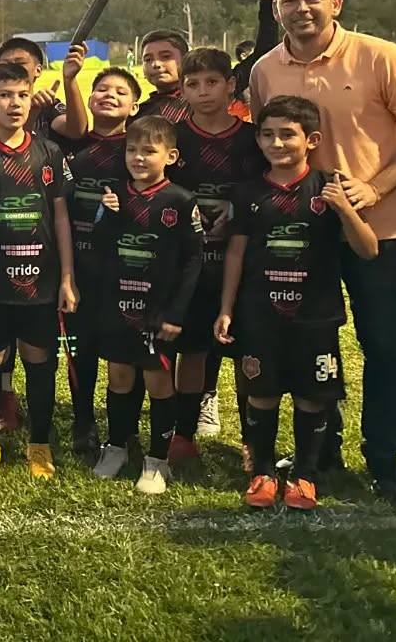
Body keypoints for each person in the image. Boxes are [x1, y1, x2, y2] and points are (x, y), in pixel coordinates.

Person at [250, 0, 396, 502]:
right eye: (290, 1)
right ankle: (321, 450)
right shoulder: (266, 70)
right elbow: (267, 144)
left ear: (335, 3)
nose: (301, 9)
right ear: (277, 9)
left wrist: (375, 187)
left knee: (381, 341)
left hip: (376, 227)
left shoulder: (380, 57)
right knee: (310, 340)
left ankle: (383, 458)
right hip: (298, 234)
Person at [215, 96, 378, 511]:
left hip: (315, 316)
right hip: (259, 313)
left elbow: (368, 249)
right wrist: (227, 308)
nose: (276, 143)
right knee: (261, 393)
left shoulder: (331, 186)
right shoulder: (249, 192)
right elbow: (235, 253)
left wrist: (345, 210)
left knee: (313, 396)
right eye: (267, 134)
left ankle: (305, 474)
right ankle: (262, 472)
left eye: (287, 134)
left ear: (312, 140)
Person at [0, 62, 75, 482]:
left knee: (39, 359)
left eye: (22, 95)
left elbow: (61, 218)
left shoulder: (49, 152)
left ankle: (39, 444)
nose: (15, 103)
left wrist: (67, 278)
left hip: (40, 279)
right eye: (4, 95)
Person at [92, 117, 203, 495]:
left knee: (157, 380)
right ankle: (116, 446)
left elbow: (193, 260)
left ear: (170, 156)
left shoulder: (180, 200)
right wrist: (107, 215)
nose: (138, 158)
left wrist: (176, 313)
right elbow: (99, 247)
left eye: (149, 151)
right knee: (119, 376)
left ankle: (157, 459)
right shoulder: (115, 194)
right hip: (117, 304)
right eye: (132, 150)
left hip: (158, 310)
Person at [167, 47, 263, 466]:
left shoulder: (253, 139)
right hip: (190, 266)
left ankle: (251, 440)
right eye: (193, 84)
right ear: (182, 90)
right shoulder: (173, 139)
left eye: (212, 82)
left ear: (230, 85)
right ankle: (184, 433)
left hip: (243, 263)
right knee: (191, 349)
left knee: (245, 352)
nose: (203, 91)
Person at [56, 61, 139, 458]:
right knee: (81, 348)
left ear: (134, 107)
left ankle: (127, 426)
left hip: (126, 269)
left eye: (121, 92)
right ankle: (84, 420)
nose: (110, 95)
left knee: (126, 350)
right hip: (78, 265)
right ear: (89, 99)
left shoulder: (139, 149)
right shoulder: (69, 143)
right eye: (102, 89)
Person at [136, 31, 191, 122]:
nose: (156, 64)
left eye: (166, 57)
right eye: (148, 59)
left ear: (185, 60)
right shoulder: (139, 112)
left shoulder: (199, 105)